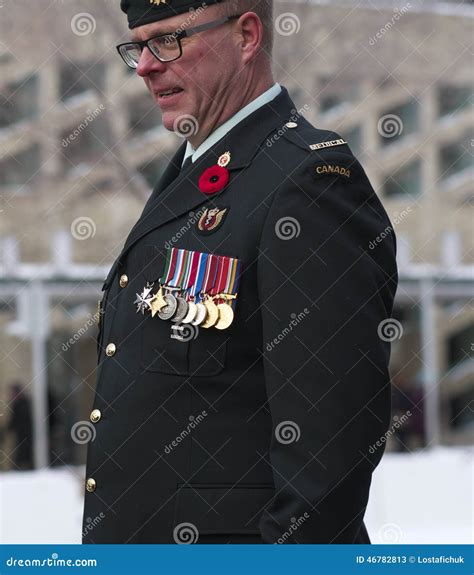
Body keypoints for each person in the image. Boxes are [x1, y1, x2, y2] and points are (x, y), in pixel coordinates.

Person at [82, 0, 398, 544]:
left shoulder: (308, 182)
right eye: (138, 46)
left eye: (168, 40)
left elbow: (328, 457)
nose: (145, 66)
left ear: (247, 35)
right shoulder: (195, 173)